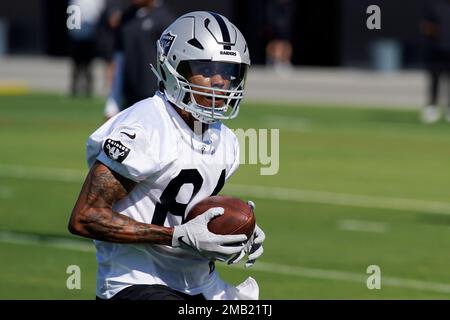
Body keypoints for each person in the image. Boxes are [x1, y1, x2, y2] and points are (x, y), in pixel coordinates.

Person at [68, 11, 265, 300]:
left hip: (200, 283)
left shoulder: (226, 140)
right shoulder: (145, 127)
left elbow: (187, 208)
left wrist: (237, 228)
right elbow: (85, 217)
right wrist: (176, 237)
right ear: (175, 68)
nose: (221, 81)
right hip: (136, 281)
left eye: (229, 71)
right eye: (207, 70)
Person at [104, 0, 174, 119]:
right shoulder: (125, 19)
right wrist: (112, 103)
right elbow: (118, 61)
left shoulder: (165, 20)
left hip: (156, 99)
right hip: (130, 99)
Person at [420, 0, 450, 123]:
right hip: (436, 51)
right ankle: (432, 108)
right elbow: (426, 27)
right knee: (434, 80)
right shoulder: (435, 6)